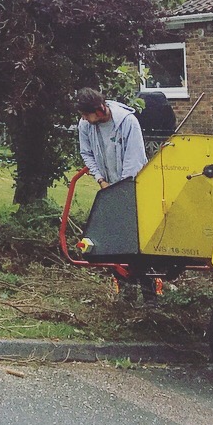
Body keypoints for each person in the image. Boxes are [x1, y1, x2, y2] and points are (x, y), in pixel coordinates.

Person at [76, 86, 158, 302]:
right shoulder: (86, 124)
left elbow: (134, 161)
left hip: (132, 189)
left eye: (87, 114)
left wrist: (118, 191)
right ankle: (127, 297)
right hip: (108, 188)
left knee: (137, 244)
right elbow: (86, 153)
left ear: (100, 109)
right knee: (113, 245)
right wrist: (100, 180)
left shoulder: (127, 122)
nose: (84, 119)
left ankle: (150, 297)